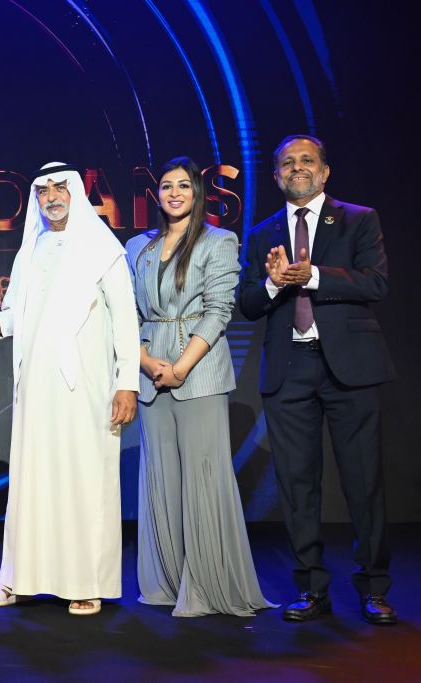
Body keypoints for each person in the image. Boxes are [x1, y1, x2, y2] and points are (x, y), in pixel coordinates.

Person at [238, 135, 397, 625]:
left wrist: (312, 277)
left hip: (350, 368)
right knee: (297, 484)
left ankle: (373, 588)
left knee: (363, 481)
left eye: (307, 161)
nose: (297, 168)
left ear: (325, 172)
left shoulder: (358, 219)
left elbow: (376, 282)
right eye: (287, 163)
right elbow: (247, 304)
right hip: (290, 371)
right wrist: (272, 283)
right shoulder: (264, 233)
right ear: (276, 176)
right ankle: (310, 588)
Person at [0, 162, 140, 616]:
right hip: (35, 387)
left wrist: (126, 382)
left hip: (84, 386)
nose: (51, 196)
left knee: (84, 479)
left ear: (76, 192)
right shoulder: (31, 250)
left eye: (60, 187)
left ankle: (85, 583)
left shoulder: (102, 246)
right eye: (43, 189)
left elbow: (126, 319)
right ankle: (19, 580)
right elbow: (16, 314)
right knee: (31, 483)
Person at [125, 157, 275, 617]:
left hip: (200, 372)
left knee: (205, 478)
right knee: (161, 481)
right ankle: (168, 582)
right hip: (150, 373)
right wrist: (148, 362)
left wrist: (182, 366)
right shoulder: (136, 247)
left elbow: (219, 310)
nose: (173, 193)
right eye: (166, 186)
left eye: (183, 186)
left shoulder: (219, 240)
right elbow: (126, 313)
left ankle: (210, 587)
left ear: (197, 193)